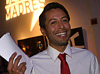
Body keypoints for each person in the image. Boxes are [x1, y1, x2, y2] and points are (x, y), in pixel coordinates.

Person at [7, 2, 100, 74]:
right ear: (43, 30)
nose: (61, 26)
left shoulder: (88, 58)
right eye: (53, 22)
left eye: (64, 20)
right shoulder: (32, 65)